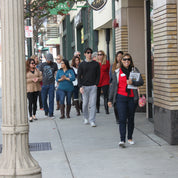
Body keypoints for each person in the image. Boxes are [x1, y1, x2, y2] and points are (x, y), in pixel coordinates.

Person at [108, 53, 143, 148]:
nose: (126, 61)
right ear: (121, 61)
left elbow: (141, 82)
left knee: (131, 118)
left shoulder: (134, 70)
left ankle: (130, 138)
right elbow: (113, 86)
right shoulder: (117, 72)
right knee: (122, 119)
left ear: (130, 61)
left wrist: (133, 82)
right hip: (120, 98)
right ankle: (122, 139)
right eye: (124, 59)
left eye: (128, 59)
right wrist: (110, 99)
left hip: (132, 98)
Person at [78, 47, 100, 127]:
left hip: (93, 86)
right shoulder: (81, 64)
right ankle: (86, 117)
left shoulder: (96, 64)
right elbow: (79, 76)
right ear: (84, 54)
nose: (89, 54)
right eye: (87, 52)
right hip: (84, 86)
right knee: (85, 103)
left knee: (93, 104)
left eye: (90, 52)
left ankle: (92, 120)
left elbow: (98, 75)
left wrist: (96, 84)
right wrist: (80, 86)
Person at [38, 53, 58, 118]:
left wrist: (57, 81)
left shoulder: (54, 64)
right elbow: (40, 74)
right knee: (43, 99)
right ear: (46, 59)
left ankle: (51, 113)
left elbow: (56, 73)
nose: (49, 61)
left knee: (51, 99)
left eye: (50, 60)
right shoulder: (42, 65)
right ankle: (46, 111)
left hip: (51, 83)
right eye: (48, 60)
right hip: (44, 84)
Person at [109, 51, 123, 124]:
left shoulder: (124, 65)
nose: (119, 58)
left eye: (121, 56)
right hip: (114, 87)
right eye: (118, 56)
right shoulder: (113, 66)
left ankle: (122, 118)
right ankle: (117, 118)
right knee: (115, 104)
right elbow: (110, 76)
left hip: (122, 87)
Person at [96, 50, 110, 114]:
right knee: (97, 95)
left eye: (101, 54)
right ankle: (97, 108)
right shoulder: (95, 63)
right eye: (98, 54)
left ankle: (106, 109)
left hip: (105, 80)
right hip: (98, 80)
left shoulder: (107, 62)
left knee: (105, 95)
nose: (99, 56)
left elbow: (109, 72)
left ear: (103, 55)